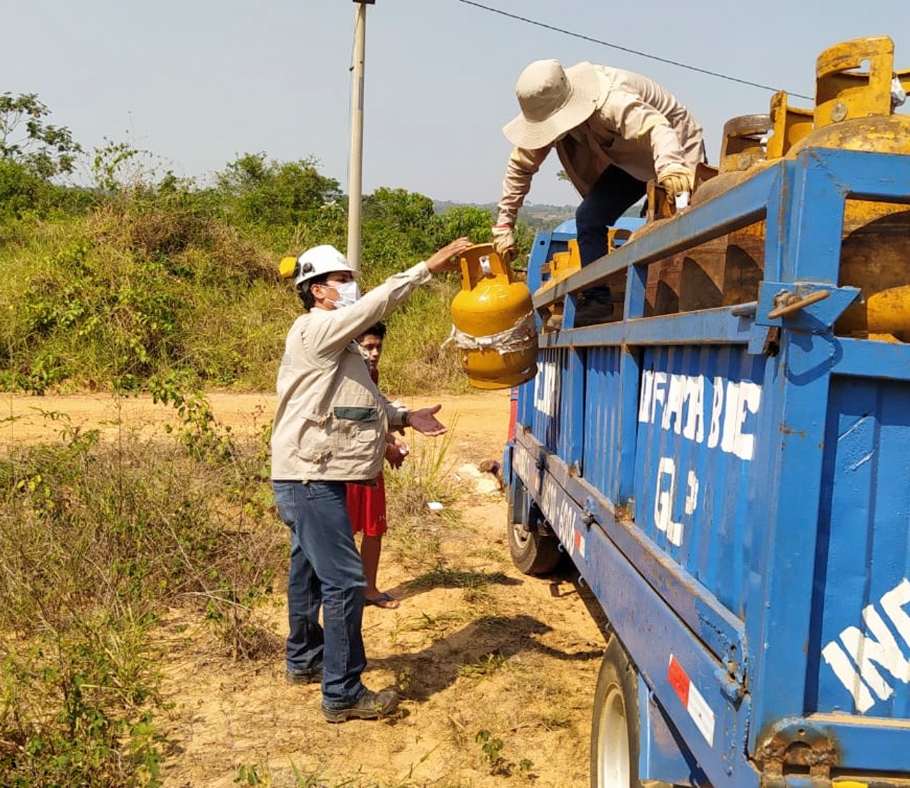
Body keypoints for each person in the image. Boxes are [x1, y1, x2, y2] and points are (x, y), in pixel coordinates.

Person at [271, 238, 471, 722]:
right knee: (343, 583)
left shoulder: (335, 345)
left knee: (307, 572)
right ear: (317, 290)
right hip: (310, 478)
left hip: (312, 475)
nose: (350, 286)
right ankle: (341, 692)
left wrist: (403, 416)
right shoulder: (317, 328)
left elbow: (359, 401)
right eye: (341, 280)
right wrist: (426, 267)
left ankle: (306, 660)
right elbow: (382, 299)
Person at [491, 59, 706, 321]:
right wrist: (504, 226)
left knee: (669, 226)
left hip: (674, 148)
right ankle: (597, 303)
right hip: (629, 160)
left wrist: (671, 166)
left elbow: (657, 128)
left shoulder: (613, 100)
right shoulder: (548, 106)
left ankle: (681, 303)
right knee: (589, 217)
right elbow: (520, 167)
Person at [346, 322, 405, 610]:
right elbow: (348, 425)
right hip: (346, 465)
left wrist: (390, 438)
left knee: (373, 527)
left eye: (378, 347)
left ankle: (368, 587)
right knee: (343, 530)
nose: (374, 353)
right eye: (368, 347)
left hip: (369, 463)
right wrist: (386, 447)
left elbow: (372, 416)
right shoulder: (346, 376)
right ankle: (346, 591)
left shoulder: (371, 374)